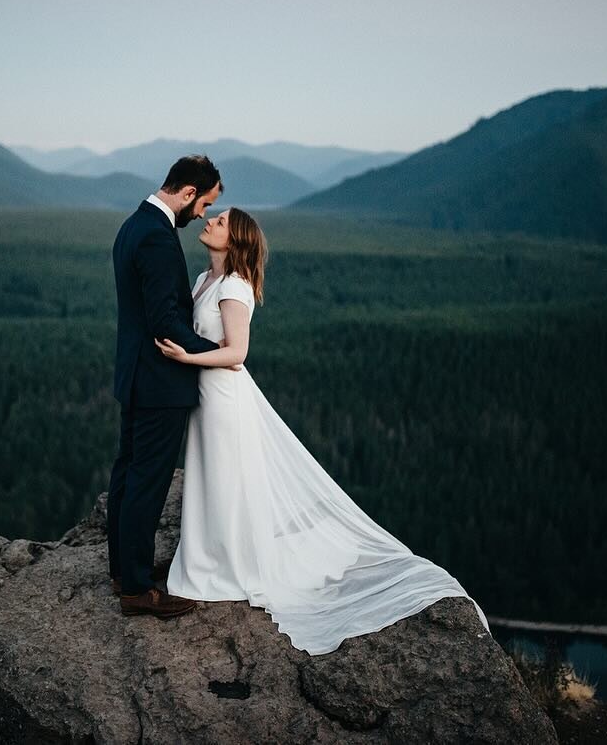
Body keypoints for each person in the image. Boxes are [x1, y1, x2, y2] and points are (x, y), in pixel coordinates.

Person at [155, 207, 491, 655]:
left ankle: (230, 563)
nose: (211, 221)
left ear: (236, 240)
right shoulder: (203, 281)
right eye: (212, 217)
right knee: (210, 477)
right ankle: (209, 555)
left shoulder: (235, 287)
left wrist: (186, 359)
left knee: (226, 477)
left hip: (225, 398)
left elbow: (236, 353)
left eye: (221, 221)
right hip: (203, 397)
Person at [108, 154, 225, 619]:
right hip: (159, 382)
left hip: (134, 377)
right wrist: (213, 349)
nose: (202, 215)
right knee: (147, 483)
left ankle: (122, 570)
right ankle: (136, 588)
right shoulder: (157, 238)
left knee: (128, 472)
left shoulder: (133, 225)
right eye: (204, 204)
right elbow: (164, 322)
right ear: (189, 192)